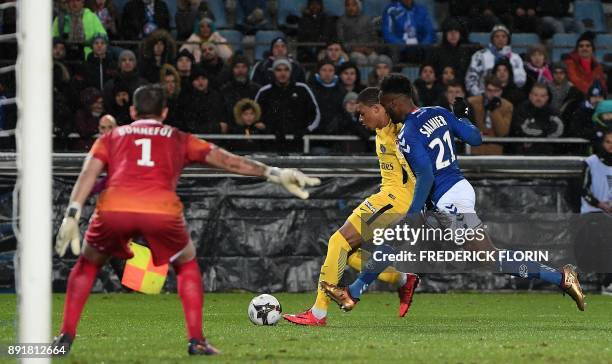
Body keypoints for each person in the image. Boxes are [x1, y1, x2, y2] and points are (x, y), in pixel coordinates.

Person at [52, 84, 321, 355]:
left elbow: (88, 172)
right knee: (186, 264)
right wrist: (273, 172)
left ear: (133, 111)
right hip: (161, 210)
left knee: (87, 265)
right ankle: (196, 341)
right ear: (165, 112)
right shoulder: (178, 138)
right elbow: (228, 161)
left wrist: (73, 212)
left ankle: (64, 337)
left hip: (114, 209)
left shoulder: (111, 137)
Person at [323, 74, 585, 312]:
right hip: (457, 188)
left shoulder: (409, 133)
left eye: (387, 105)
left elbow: (425, 175)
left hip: (448, 199)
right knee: (394, 241)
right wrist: (462, 116)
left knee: (489, 258)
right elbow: (475, 139)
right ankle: (353, 293)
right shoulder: (438, 112)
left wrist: (414, 213)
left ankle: (561, 277)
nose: (388, 112)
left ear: (393, 102)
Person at [283, 87, 419, 326]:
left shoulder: (402, 128)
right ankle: (401, 278)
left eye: (363, 113)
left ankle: (318, 313)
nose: (360, 119)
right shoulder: (382, 129)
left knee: (339, 242)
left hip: (396, 200)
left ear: (378, 108)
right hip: (388, 197)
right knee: (350, 253)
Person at [255, 58, 321, 152]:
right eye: (279, 70)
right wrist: (267, 129)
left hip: (298, 144)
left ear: (291, 72)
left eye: (286, 69)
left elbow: (316, 114)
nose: (283, 73)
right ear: (273, 72)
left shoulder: (302, 89)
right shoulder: (265, 92)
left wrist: (306, 130)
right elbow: (254, 116)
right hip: (271, 145)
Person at [465, 24, 525, 96]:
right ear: (492, 39)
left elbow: (520, 81)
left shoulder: (515, 58)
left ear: (508, 39)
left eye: (503, 36)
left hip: (509, 96)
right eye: (497, 36)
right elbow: (471, 79)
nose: (500, 39)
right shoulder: (480, 55)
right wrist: (480, 95)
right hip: (483, 95)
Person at [510, 83, 564, 155]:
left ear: (547, 97)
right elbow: (520, 129)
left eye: (542, 96)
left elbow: (558, 131)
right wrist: (545, 131)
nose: (538, 99)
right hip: (523, 153)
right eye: (535, 95)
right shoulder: (521, 109)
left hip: (547, 154)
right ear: (530, 96)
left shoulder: (553, 112)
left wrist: (541, 132)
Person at [467, 75, 513, 155]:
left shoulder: (507, 106)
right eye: (490, 90)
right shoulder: (472, 102)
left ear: (501, 91)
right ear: (484, 89)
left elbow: (502, 132)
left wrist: (494, 110)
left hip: (495, 151)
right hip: (475, 150)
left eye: (496, 91)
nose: (493, 94)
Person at [177, 66, 228, 134]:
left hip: (216, 139)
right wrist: (216, 127)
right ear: (192, 82)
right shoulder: (187, 99)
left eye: (203, 78)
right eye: (197, 79)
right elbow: (190, 126)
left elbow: (223, 121)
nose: (200, 82)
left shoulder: (216, 97)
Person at [425, 17, 475, 83]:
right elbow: (430, 73)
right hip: (439, 87)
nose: (453, 35)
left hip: (460, 87)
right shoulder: (435, 52)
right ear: (445, 34)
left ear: (460, 34)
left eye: (456, 32)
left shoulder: (466, 52)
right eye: (450, 32)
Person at [308, 59, 347, 136]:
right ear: (318, 71)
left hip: (338, 134)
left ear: (334, 72)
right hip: (316, 134)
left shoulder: (342, 91)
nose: (327, 73)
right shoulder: (310, 89)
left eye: (330, 70)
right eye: (324, 70)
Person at [220, 55, 261, 125]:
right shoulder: (224, 90)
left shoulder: (257, 89)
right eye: (237, 67)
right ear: (232, 69)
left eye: (243, 67)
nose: (240, 70)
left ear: (248, 69)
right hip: (231, 130)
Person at [564, 32, 607, 97]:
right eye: (581, 46)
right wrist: (590, 91)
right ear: (577, 49)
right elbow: (574, 79)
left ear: (592, 49)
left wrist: (602, 94)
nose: (584, 48)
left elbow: (602, 84)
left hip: (595, 97)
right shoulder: (570, 62)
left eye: (588, 46)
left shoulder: (597, 66)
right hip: (577, 96)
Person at [336, 0, 378, 67]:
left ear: (358, 6)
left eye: (353, 5)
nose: (350, 8)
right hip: (351, 51)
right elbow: (341, 40)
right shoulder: (341, 20)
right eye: (348, 5)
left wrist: (369, 48)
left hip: (368, 49)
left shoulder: (367, 19)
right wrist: (353, 49)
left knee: (375, 59)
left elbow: (374, 38)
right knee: (361, 59)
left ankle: (372, 77)